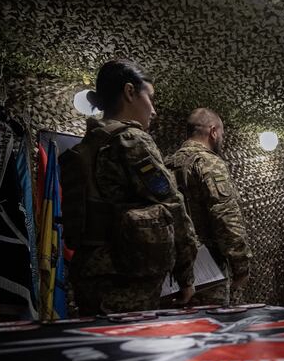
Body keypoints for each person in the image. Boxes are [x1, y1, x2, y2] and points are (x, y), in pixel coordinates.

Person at [60, 59, 197, 314]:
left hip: (88, 272)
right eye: (151, 98)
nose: (154, 110)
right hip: (125, 277)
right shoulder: (130, 140)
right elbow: (172, 205)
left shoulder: (88, 145)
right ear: (130, 92)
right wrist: (186, 275)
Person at [164, 108, 252, 306]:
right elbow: (226, 216)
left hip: (174, 268)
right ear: (213, 131)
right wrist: (241, 266)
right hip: (208, 269)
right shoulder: (209, 162)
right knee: (210, 329)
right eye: (221, 133)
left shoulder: (166, 164)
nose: (221, 138)